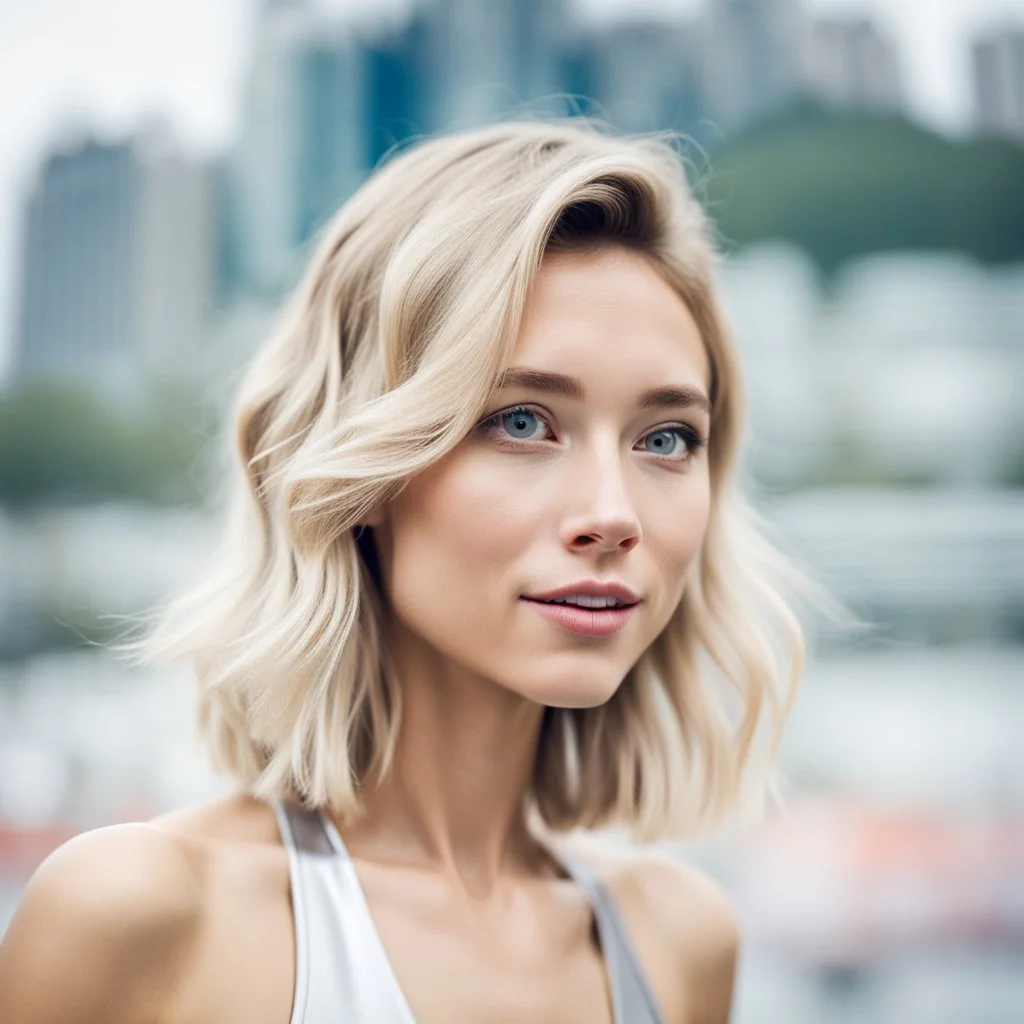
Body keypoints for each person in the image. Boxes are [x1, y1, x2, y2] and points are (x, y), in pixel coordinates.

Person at [0, 118, 807, 1023]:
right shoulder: (143, 917)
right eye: (523, 421)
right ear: (370, 464)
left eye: (666, 438)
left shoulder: (681, 942)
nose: (613, 515)